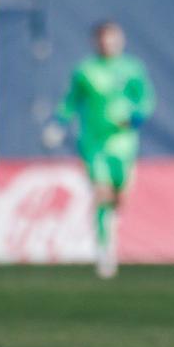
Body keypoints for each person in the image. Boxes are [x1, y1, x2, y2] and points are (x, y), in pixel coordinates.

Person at [43, 20, 155, 279]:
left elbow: (146, 99)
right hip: (94, 143)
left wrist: (136, 117)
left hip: (124, 143)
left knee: (120, 197)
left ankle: (110, 229)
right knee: (102, 192)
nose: (108, 43)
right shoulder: (85, 71)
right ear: (96, 41)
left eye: (113, 38)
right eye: (103, 39)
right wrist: (58, 124)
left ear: (120, 40)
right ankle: (105, 249)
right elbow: (71, 100)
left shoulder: (132, 69)